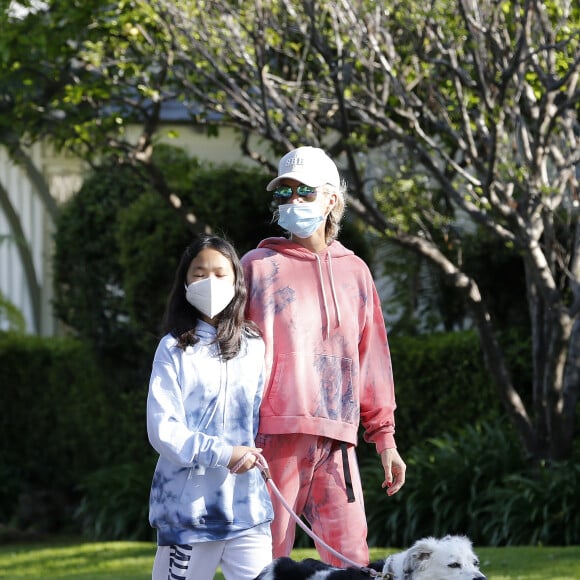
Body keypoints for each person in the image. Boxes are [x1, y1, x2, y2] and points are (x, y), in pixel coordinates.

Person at [241, 146, 406, 568]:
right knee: (265, 560)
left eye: (304, 192)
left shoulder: (356, 271)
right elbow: (227, 354)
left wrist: (384, 438)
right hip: (271, 436)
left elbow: (372, 359)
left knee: (351, 561)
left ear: (331, 199)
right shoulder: (255, 267)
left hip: (338, 440)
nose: (293, 201)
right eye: (284, 194)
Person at [147, 234, 273, 580]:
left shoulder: (254, 344)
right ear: (185, 282)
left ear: (237, 281)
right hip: (189, 512)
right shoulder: (173, 349)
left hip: (248, 509)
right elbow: (163, 429)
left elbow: (261, 416)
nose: (210, 282)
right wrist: (224, 453)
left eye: (220, 273)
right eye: (199, 273)